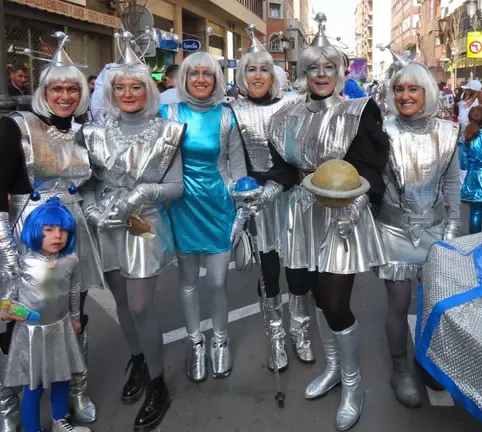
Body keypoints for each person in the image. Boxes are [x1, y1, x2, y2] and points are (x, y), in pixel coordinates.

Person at [265, 14, 390, 430]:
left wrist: (356, 203)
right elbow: (283, 167)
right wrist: (265, 191)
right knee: (316, 297)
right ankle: (334, 368)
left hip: (343, 215)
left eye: (329, 67)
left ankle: (354, 384)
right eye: (313, 68)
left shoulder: (359, 111)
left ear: (340, 72)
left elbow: (373, 166)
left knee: (336, 302)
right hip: (302, 215)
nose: (321, 74)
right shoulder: (287, 116)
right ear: (304, 73)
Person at [0, 32, 102, 431]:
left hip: (73, 237)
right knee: (17, 321)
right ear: (43, 91)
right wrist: (6, 251)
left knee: (74, 313)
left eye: (72, 88)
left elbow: (95, 185)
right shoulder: (17, 126)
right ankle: (8, 406)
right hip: (23, 238)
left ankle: (75, 390)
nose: (65, 95)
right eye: (57, 88)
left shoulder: (86, 130)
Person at [78, 35, 184, 430]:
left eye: (136, 86)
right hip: (104, 221)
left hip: (143, 223)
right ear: (109, 91)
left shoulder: (168, 131)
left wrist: (141, 194)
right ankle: (138, 360)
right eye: (119, 87)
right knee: (121, 301)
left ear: (149, 90)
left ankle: (158, 384)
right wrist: (90, 208)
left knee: (140, 304)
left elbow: (177, 186)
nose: (127, 93)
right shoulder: (94, 132)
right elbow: (87, 180)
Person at [375, 60, 460, 408]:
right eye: (399, 89)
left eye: (413, 89)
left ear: (427, 92)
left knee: (434, 300)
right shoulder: (382, 130)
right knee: (399, 301)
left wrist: (453, 228)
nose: (405, 96)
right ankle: (399, 368)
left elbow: (453, 182)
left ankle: (427, 362)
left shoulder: (448, 131)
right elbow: (372, 181)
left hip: (437, 228)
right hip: (394, 228)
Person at [158, 51, 247, 382]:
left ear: (215, 79)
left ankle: (220, 340)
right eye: (193, 73)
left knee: (218, 281)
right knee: (187, 282)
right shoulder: (167, 113)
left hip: (219, 207)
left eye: (206, 74)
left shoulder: (227, 117)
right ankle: (195, 342)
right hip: (181, 206)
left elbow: (237, 169)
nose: (199, 79)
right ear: (183, 78)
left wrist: (243, 208)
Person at [228, 26, 310, 372]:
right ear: (242, 75)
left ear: (273, 74)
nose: (257, 75)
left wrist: (276, 187)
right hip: (256, 205)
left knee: (299, 274)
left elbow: (301, 159)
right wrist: (242, 193)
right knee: (268, 275)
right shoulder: (232, 110)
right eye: (251, 69)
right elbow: (231, 160)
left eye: (264, 69)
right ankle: (276, 335)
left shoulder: (292, 105)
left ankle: (301, 331)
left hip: (290, 200)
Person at [0, 197, 90, 432]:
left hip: (61, 329)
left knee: (62, 376)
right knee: (34, 385)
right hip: (32, 336)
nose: (58, 236)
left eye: (63, 231)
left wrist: (76, 317)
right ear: (34, 231)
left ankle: (60, 421)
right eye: (49, 230)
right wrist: (28, 316)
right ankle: (32, 429)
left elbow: (73, 291)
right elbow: (6, 307)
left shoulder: (70, 261)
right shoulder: (22, 264)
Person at [460, 106, 482, 234]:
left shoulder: (467, 138)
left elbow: (463, 164)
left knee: (475, 213)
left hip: (473, 178)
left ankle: (473, 241)